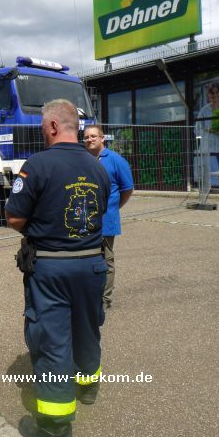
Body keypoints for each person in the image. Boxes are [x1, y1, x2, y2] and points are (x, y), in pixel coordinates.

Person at [5, 99, 110, 437]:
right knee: (87, 326)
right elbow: (104, 209)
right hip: (93, 263)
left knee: (52, 341)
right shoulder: (98, 168)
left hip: (51, 267)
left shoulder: (36, 166)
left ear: (52, 126)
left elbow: (14, 218)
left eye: (41, 126)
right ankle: (87, 386)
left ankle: (54, 427)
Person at [84, 124, 134, 309]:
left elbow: (127, 189)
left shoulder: (115, 160)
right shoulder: (84, 160)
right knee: (86, 258)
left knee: (105, 259)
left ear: (103, 138)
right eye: (87, 137)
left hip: (106, 220)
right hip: (85, 220)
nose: (90, 139)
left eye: (93, 136)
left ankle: (104, 300)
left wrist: (114, 207)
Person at [196, 82, 219, 187]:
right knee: (215, 174)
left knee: (218, 173)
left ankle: (215, 193)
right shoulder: (204, 110)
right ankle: (216, 195)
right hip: (209, 146)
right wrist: (212, 130)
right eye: (212, 93)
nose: (214, 96)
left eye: (216, 93)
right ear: (208, 95)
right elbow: (197, 129)